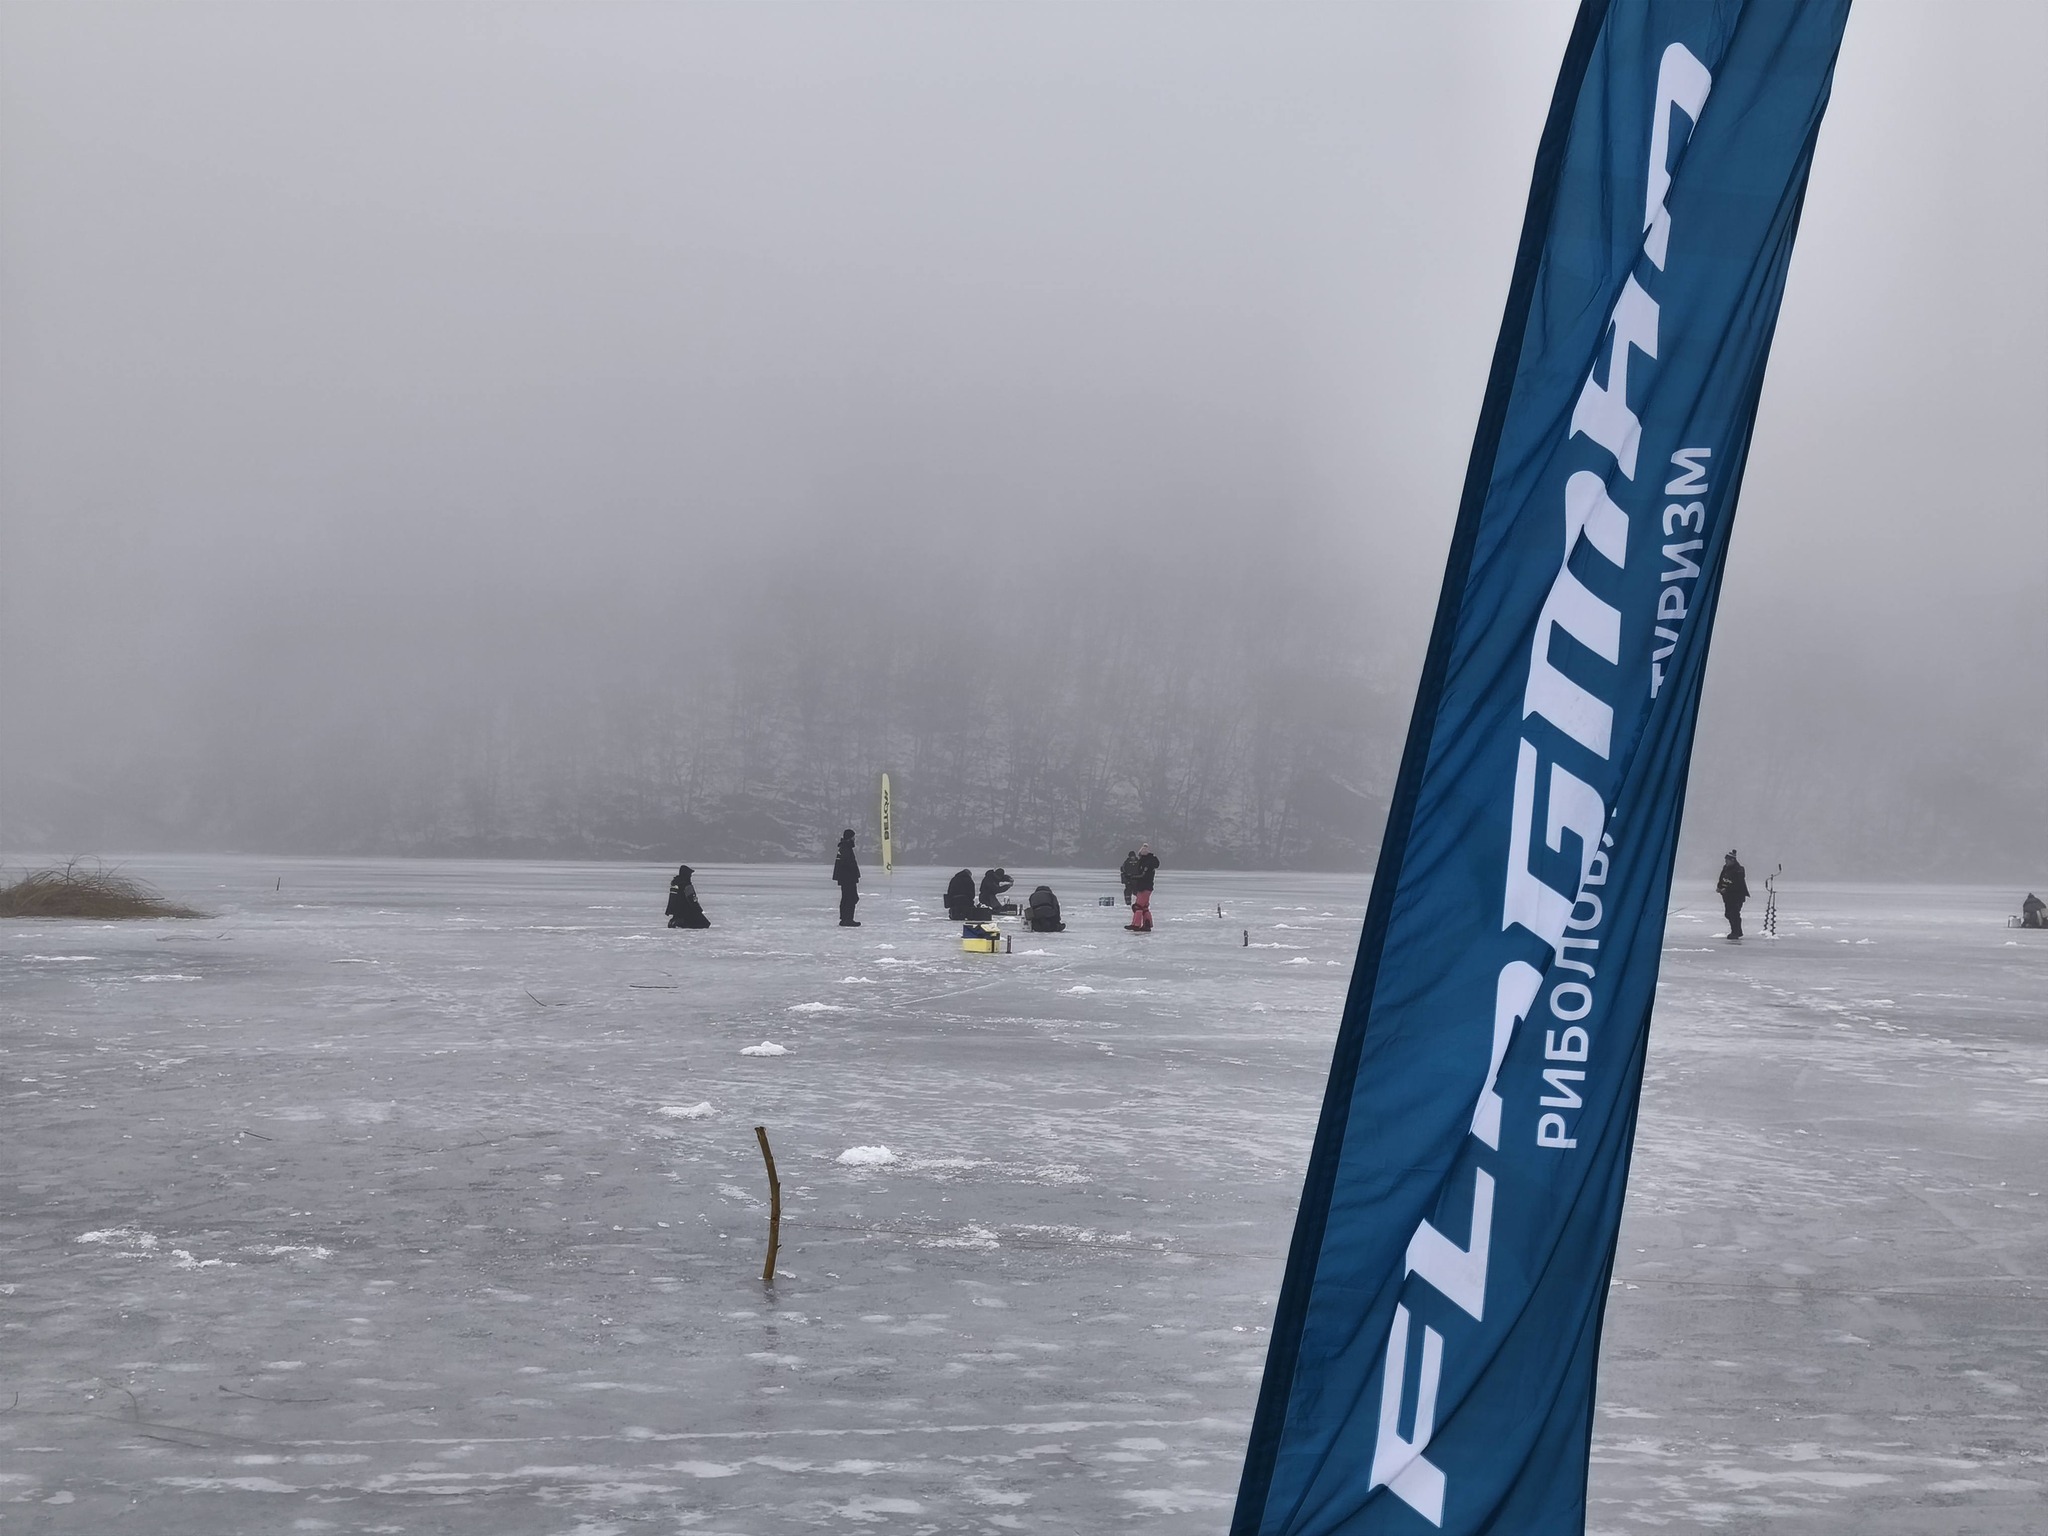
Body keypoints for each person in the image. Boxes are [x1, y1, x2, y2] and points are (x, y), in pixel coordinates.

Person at [1126, 843, 1159, 932]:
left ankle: (1136, 924)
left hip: (1144, 887)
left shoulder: (1146, 863)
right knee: (1144, 907)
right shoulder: (1149, 863)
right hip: (1147, 887)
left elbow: (1143, 875)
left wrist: (1132, 877)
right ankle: (1147, 924)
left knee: (1138, 906)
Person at [665, 864, 710, 929]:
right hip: (687, 910)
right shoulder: (686, 885)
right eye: (690, 874)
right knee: (705, 924)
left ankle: (675, 921)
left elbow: (672, 898)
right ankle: (680, 923)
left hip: (677, 910)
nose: (691, 876)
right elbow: (691, 898)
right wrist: (698, 909)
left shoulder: (675, 883)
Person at [1716, 850, 1748, 940]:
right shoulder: (1725, 868)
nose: (1726, 862)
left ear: (1732, 860)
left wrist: (1726, 889)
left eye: (1727, 860)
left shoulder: (1739, 870)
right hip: (1727, 897)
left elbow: (1738, 884)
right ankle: (1737, 931)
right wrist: (1719, 887)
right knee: (1728, 914)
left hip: (1737, 896)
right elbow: (1721, 879)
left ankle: (1736, 932)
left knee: (1734, 914)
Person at [832, 830, 861, 927]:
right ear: (850, 838)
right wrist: (853, 875)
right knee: (851, 898)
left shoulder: (844, 847)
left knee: (847, 898)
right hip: (848, 878)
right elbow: (847, 864)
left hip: (846, 878)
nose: (854, 839)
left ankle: (845, 918)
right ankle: (848, 919)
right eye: (853, 837)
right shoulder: (845, 848)